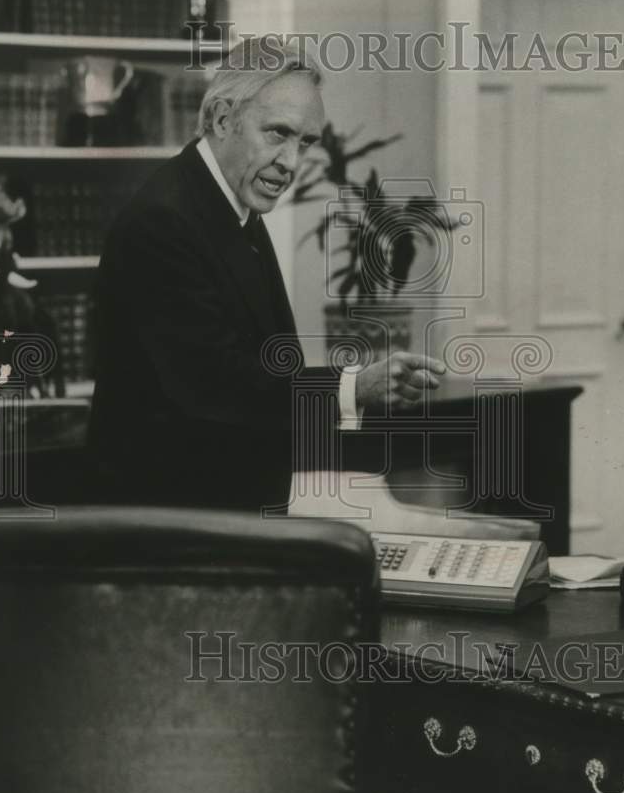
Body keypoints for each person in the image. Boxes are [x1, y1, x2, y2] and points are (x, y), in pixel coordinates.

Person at [88, 37, 445, 512]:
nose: (292, 163)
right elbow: (216, 387)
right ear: (221, 119)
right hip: (173, 530)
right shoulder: (165, 220)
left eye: (306, 143)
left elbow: (267, 368)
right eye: (277, 133)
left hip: (221, 515)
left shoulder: (224, 206)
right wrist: (353, 386)